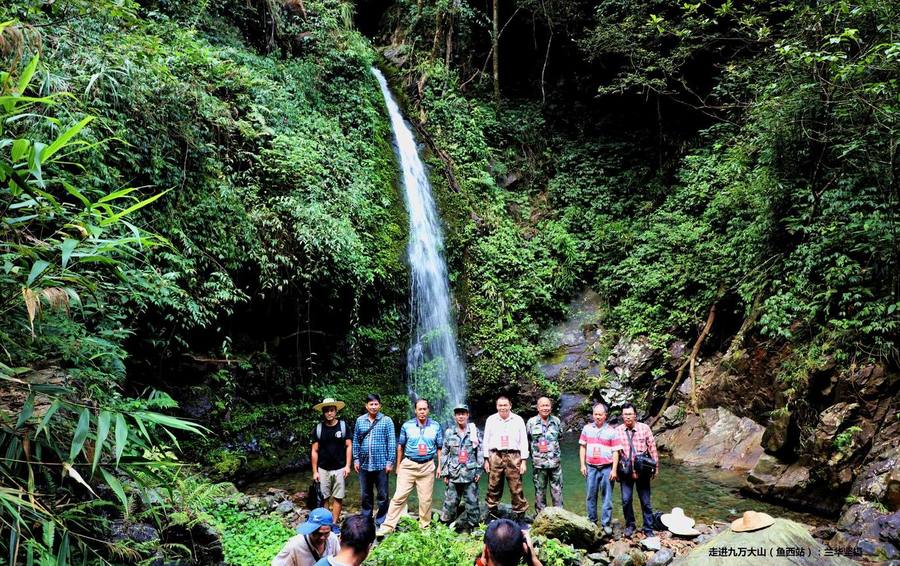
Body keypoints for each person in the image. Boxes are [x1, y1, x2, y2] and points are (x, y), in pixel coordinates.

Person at [378, 398, 443, 535]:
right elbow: (400, 446)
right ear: (415, 410)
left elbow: (439, 448)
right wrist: (398, 466)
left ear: (428, 410)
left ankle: (424, 526)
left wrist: (439, 466)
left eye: (425, 409)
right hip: (408, 465)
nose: (422, 412)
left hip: (427, 465)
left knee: (426, 499)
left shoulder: (436, 426)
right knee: (399, 496)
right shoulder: (407, 426)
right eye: (420, 409)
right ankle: (388, 526)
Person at [610, 402, 659, 538]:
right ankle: (630, 524)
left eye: (630, 414)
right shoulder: (618, 431)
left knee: (646, 501)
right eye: (625, 414)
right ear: (622, 416)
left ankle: (648, 528)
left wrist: (656, 467)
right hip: (625, 471)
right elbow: (614, 451)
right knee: (626, 500)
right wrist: (614, 470)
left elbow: (652, 448)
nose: (628, 417)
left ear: (635, 415)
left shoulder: (644, 429)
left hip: (642, 470)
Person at [352, 394, 396, 527]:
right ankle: (366, 518)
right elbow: (356, 441)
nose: (373, 407)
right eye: (371, 404)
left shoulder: (387, 420)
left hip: (381, 464)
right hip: (364, 464)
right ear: (366, 406)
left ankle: (381, 520)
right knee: (366, 494)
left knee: (382, 495)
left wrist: (390, 462)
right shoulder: (360, 421)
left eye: (376, 404)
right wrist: (356, 459)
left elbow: (392, 441)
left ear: (380, 406)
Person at [482, 396, 529, 522]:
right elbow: (485, 440)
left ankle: (520, 515)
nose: (503, 407)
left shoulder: (518, 420)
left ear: (510, 405)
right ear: (497, 406)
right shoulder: (491, 420)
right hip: (495, 455)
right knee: (493, 485)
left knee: (516, 486)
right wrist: (486, 459)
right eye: (500, 405)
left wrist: (524, 461)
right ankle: (492, 513)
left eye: (505, 405)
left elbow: (524, 440)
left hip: (514, 456)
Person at [440, 403, 483, 532]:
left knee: (472, 502)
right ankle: (444, 528)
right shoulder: (449, 432)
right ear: (455, 416)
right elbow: (444, 453)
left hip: (470, 474)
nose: (461, 416)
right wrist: (445, 473)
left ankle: (473, 528)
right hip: (453, 474)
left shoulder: (474, 432)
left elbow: (480, 451)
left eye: (463, 413)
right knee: (450, 502)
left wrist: (479, 471)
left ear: (467, 415)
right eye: (458, 414)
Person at [579, 402, 620, 535]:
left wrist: (614, 469)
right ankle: (592, 520)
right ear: (592, 415)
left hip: (607, 468)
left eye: (600, 414)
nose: (598, 417)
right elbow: (582, 447)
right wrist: (582, 465)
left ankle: (606, 523)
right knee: (591, 495)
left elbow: (616, 452)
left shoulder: (612, 431)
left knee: (607, 496)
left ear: (605, 415)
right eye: (595, 414)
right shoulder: (586, 429)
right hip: (591, 467)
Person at [311, 397, 352, 523]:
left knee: (338, 497)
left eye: (332, 410)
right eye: (327, 411)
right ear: (323, 412)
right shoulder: (318, 429)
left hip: (340, 468)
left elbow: (349, 445)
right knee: (324, 497)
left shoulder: (343, 427)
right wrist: (315, 471)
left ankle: (333, 523)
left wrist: (347, 466)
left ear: (336, 411)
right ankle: (326, 522)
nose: (329, 413)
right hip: (323, 469)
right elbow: (314, 450)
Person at [526, 397, 563, 513]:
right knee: (540, 490)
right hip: (539, 464)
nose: (545, 408)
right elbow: (527, 441)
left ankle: (559, 516)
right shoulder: (531, 423)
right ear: (538, 408)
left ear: (551, 407)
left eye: (547, 405)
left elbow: (560, 438)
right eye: (543, 405)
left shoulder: (556, 421)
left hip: (555, 463)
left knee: (557, 490)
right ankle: (541, 516)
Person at [271, 507, 340, 566]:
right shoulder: (295, 545)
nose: (322, 537)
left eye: (326, 533)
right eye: (317, 533)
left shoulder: (332, 538)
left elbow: (339, 560)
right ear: (310, 530)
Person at [474, 519, 543, 566]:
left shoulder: (483, 556)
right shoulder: (525, 551)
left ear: (485, 550)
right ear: (523, 550)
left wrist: (480, 563)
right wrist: (532, 559)